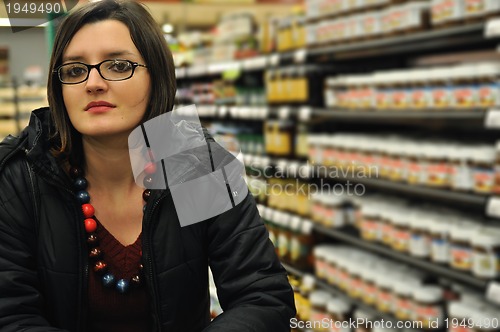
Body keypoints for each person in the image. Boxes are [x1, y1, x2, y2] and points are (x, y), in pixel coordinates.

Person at [0, 1, 295, 331]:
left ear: (156, 75)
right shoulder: (23, 176)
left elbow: (261, 296)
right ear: (59, 88)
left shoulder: (192, 163)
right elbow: (11, 313)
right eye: (74, 70)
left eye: (117, 65)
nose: (93, 83)